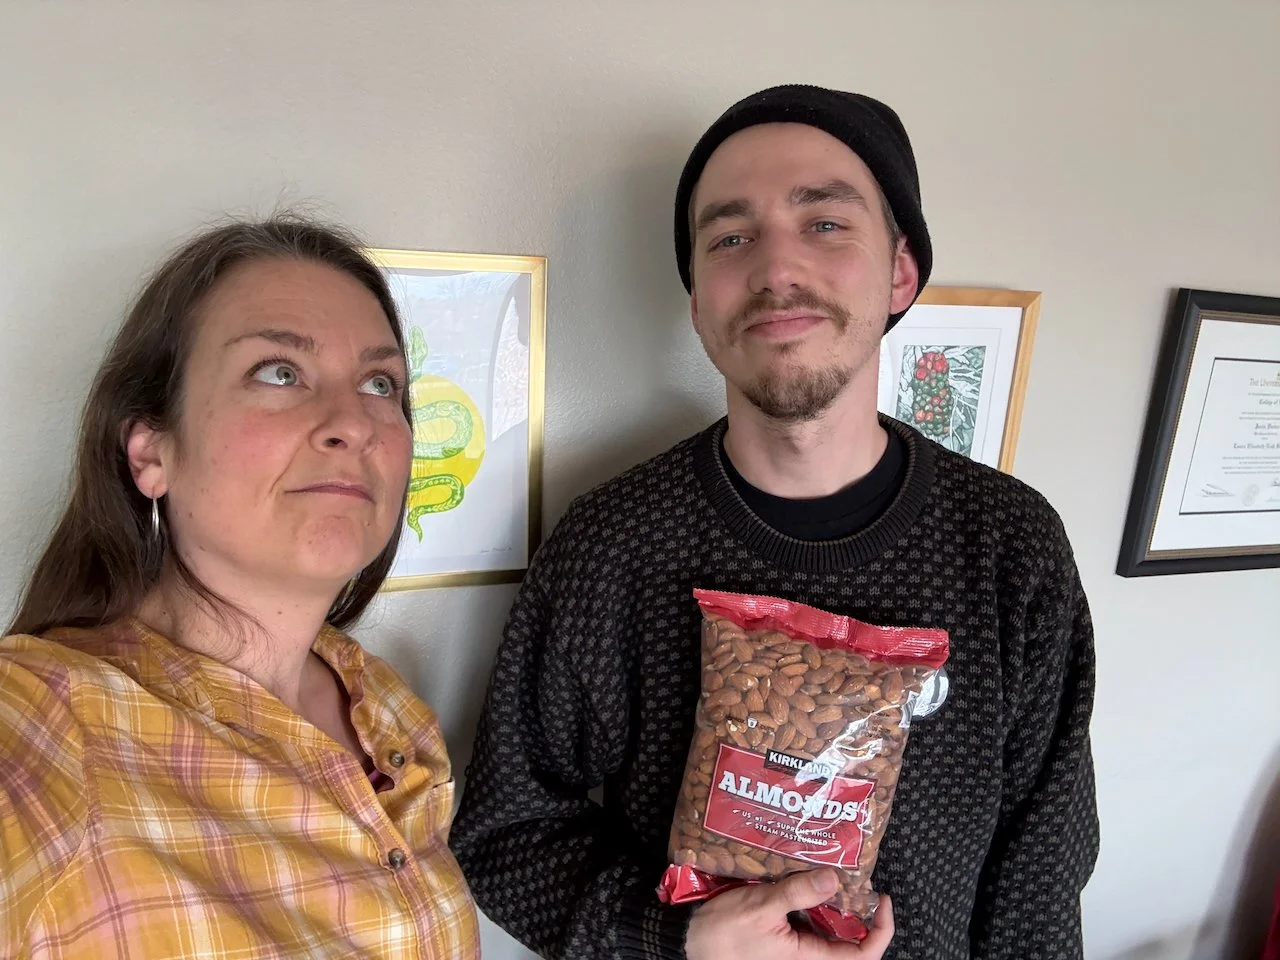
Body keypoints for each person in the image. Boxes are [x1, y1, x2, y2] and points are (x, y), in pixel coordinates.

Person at [452, 84, 1099, 960]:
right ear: (696, 297)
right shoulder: (614, 545)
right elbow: (506, 833)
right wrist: (672, 937)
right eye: (730, 237)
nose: (775, 269)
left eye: (825, 224)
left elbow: (1043, 875)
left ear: (901, 269)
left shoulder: (1009, 548)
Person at [0, 217, 479, 959]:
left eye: (381, 384)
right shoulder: (40, 727)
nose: (353, 422)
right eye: (279, 372)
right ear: (150, 454)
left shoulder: (389, 711)